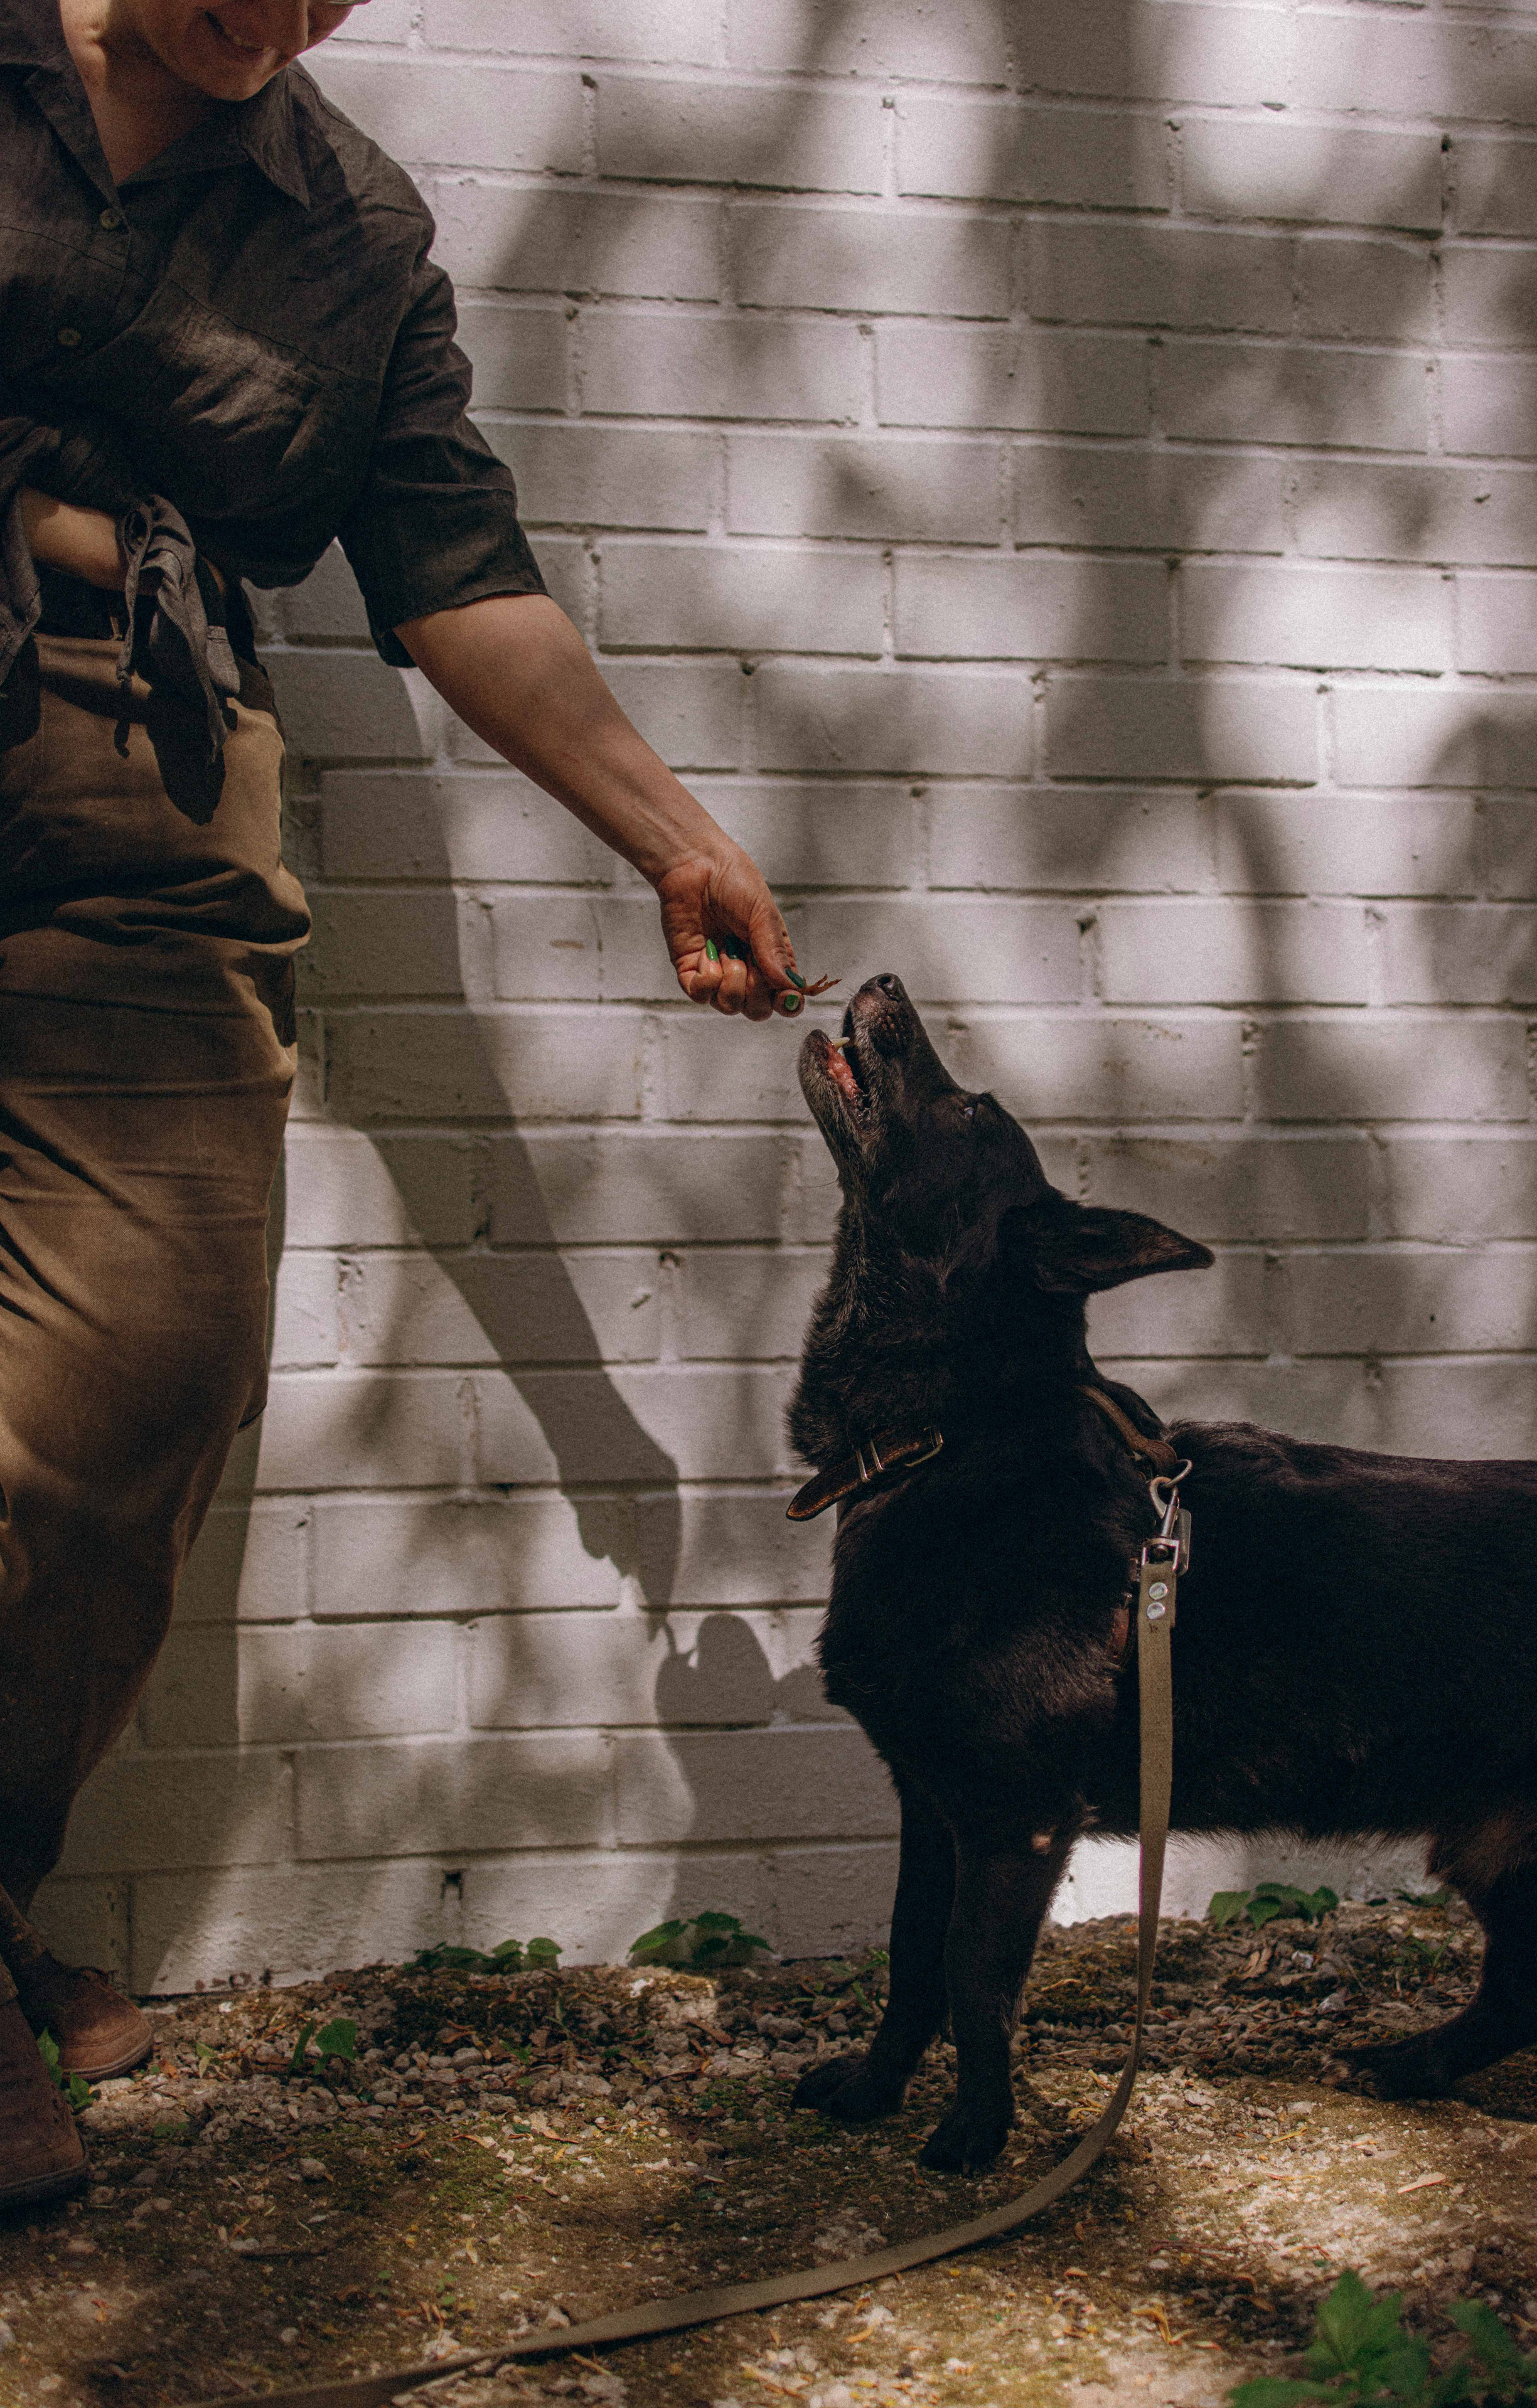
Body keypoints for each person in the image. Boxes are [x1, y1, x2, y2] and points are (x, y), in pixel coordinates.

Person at [0, 0, 815, 2209]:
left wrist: (673, 837)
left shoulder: (353, 231)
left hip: (135, 779)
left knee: (136, 1378)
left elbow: (457, 575)